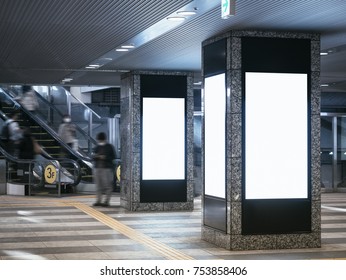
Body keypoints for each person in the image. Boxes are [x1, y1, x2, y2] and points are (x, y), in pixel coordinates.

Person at [92, 132, 116, 207]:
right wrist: (96, 156)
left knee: (107, 185)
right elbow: (92, 157)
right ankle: (99, 200)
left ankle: (106, 201)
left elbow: (113, 157)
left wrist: (105, 157)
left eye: (100, 140)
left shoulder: (109, 147)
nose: (100, 142)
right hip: (97, 168)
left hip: (106, 168)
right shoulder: (96, 147)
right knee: (98, 185)